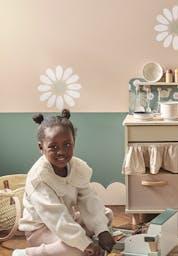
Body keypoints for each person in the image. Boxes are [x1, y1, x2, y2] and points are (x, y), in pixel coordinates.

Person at [13, 109, 115, 256]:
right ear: (41, 147)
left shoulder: (77, 167)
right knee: (77, 249)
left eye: (67, 145)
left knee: (106, 215)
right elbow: (56, 217)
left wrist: (102, 231)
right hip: (41, 229)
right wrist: (84, 243)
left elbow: (88, 199)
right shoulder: (39, 178)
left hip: (67, 220)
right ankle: (27, 254)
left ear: (74, 142)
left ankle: (78, 242)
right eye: (53, 147)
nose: (61, 152)